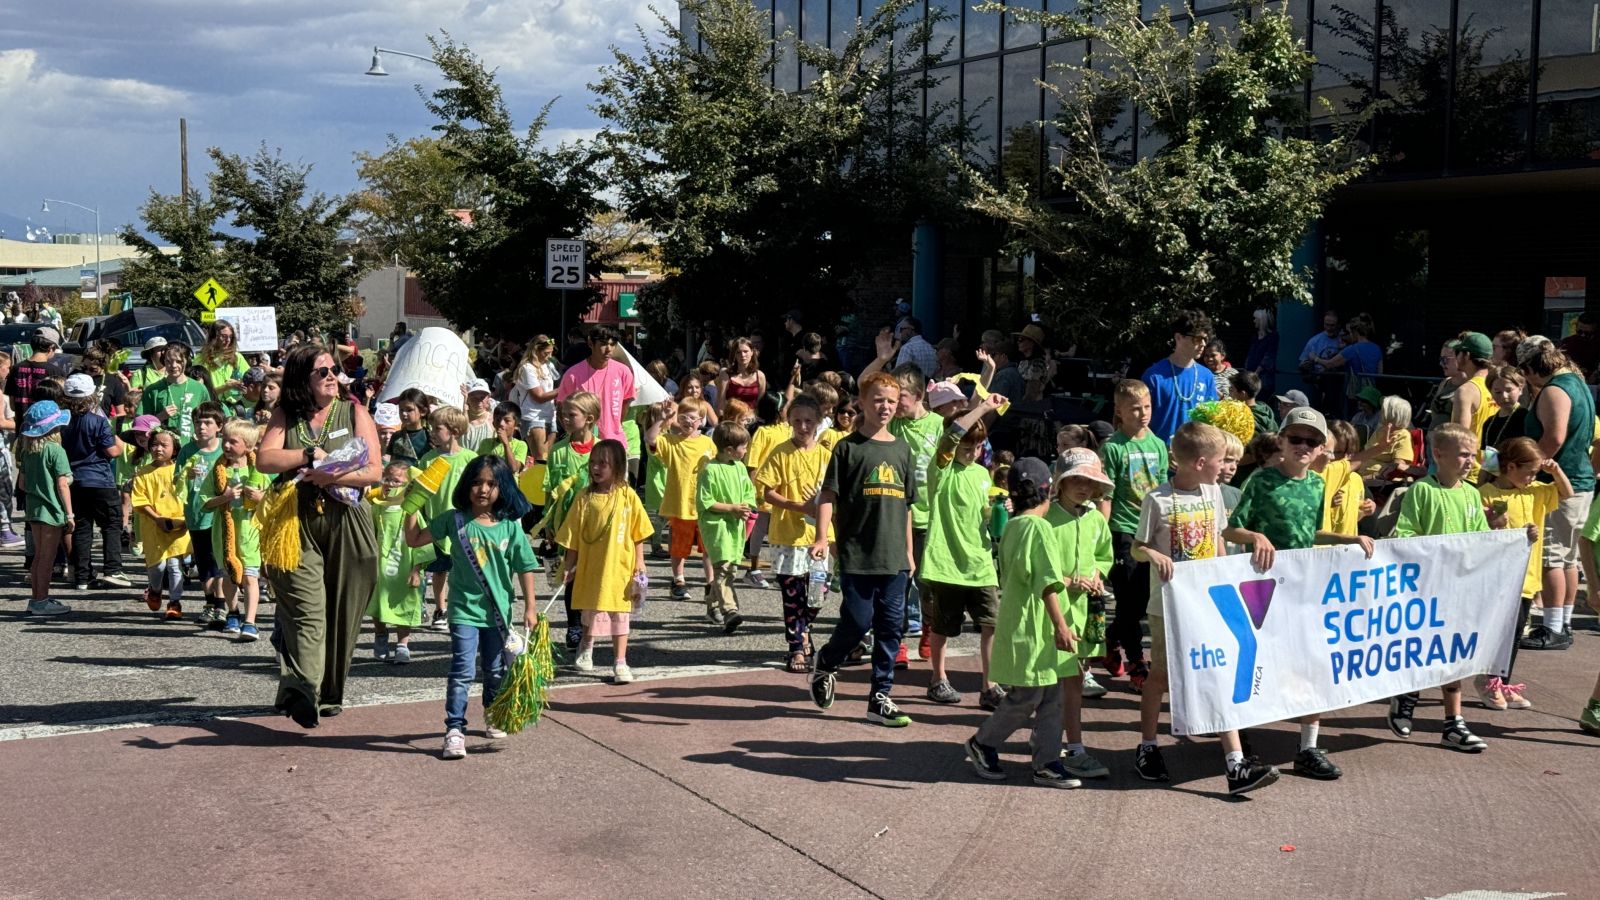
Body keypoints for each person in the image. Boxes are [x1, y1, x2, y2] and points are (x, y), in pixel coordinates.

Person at [1132, 422, 1279, 795]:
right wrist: (1152, 553)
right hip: (1168, 605)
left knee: (1218, 673)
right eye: (1219, 460)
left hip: (1207, 601)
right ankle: (1147, 745)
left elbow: (1217, 538)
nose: (1225, 466)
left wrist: (1235, 561)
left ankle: (1236, 764)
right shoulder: (1158, 500)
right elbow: (1137, 546)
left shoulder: (1213, 493)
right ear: (1199, 462)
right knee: (1162, 678)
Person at [1230, 407, 1375, 780]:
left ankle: (1308, 746)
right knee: (1258, 661)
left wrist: (1348, 538)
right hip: (1263, 587)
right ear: (1281, 441)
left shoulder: (1316, 484)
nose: (1303, 446)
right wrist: (1256, 536)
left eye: (1312, 441)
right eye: (1296, 438)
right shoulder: (1261, 481)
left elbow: (1310, 534)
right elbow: (1231, 530)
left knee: (1313, 663)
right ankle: (1243, 739)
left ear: (1322, 447)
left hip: (1303, 588)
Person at [257, 344, 383, 729]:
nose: (331, 376)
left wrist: (335, 475)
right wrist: (309, 457)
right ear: (302, 379)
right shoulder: (286, 414)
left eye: (333, 369)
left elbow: (375, 471)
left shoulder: (354, 410)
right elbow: (265, 460)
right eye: (321, 371)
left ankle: (328, 694)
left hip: (348, 518)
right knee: (307, 611)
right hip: (296, 521)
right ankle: (301, 688)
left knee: (343, 611)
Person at [404, 455, 537, 759]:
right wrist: (411, 507)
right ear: (466, 485)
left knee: (494, 670)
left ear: (503, 487)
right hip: (463, 610)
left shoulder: (510, 528)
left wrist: (530, 606)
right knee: (462, 670)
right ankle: (454, 729)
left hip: (498, 613)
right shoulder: (455, 519)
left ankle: (492, 710)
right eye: (477, 482)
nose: (483, 489)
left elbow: (525, 566)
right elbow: (414, 539)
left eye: (492, 483)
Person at [962, 456, 1081, 787]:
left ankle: (1047, 760)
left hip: (1021, 622)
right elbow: (1047, 583)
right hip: (1036, 627)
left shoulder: (1012, 525)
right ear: (1050, 490)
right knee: (1029, 696)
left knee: (1050, 693)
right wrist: (1061, 625)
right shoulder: (1039, 528)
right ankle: (983, 742)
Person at [807, 371, 917, 728]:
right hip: (857, 554)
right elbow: (828, 496)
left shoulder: (903, 449)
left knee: (890, 629)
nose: (884, 406)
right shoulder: (847, 447)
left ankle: (880, 697)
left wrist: (910, 554)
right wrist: (823, 537)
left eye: (890, 400)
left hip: (895, 559)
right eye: (877, 400)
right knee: (857, 621)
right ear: (862, 403)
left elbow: (907, 507)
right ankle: (827, 660)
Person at [1385, 423, 1491, 752]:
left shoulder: (1472, 494)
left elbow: (1482, 538)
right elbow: (1403, 534)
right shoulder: (1422, 491)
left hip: (1459, 589)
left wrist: (1514, 540)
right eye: (1462, 454)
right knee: (1420, 648)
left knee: (1454, 653)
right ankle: (1407, 694)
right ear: (1438, 455)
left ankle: (1453, 723)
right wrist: (1433, 552)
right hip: (1426, 588)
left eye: (1473, 455)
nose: (1469, 461)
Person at [920, 396, 1008, 708]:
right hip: (946, 562)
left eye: (978, 448)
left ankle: (990, 685)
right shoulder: (941, 469)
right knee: (943, 627)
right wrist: (982, 408)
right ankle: (938, 679)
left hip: (980, 562)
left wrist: (1000, 509)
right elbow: (951, 435)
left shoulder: (983, 475)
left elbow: (986, 517)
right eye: (967, 447)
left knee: (991, 624)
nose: (972, 453)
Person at [1478, 437, 1570, 710]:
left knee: (1516, 632)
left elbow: (1567, 493)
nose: (1533, 477)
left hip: (1526, 577)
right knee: (1498, 631)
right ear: (1510, 467)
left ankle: (1502, 682)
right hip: (1497, 577)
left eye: (1535, 473)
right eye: (1529, 472)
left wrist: (1555, 471)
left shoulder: (1536, 492)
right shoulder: (1486, 493)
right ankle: (1488, 680)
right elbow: (1479, 532)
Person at [1518, 339, 1594, 650]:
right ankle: (1561, 621)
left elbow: (1554, 437)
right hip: (1580, 481)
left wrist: (1528, 469)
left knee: (1551, 556)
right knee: (1567, 558)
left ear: (1530, 368)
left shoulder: (1554, 390)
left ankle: (1552, 627)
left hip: (1560, 483)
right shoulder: (1577, 382)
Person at [557, 439, 653, 684]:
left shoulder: (628, 496)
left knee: (620, 614)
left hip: (620, 567)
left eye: (603, 463)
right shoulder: (584, 497)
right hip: (592, 566)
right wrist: (569, 565)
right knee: (591, 608)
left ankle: (620, 660)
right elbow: (573, 535)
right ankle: (587, 645)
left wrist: (640, 562)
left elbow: (638, 532)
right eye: (592, 463)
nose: (596, 468)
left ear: (618, 467)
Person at [1045, 448, 1116, 780]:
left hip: (1084, 612)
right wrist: (1067, 581)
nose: (1083, 486)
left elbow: (1104, 555)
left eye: (1089, 481)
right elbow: (1034, 567)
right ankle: (1042, 744)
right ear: (1060, 481)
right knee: (1038, 686)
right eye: (1075, 479)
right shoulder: (1045, 518)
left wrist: (1098, 575)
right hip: (1049, 613)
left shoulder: (1095, 519)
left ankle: (1073, 748)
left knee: (1073, 680)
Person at [755, 394, 832, 672]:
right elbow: (766, 491)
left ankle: (805, 628)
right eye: (797, 421)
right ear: (789, 421)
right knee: (793, 595)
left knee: (819, 591)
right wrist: (796, 505)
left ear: (819, 422)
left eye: (809, 421)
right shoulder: (780, 451)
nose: (803, 426)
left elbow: (834, 492)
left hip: (819, 535)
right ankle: (796, 646)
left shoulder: (826, 455)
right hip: (787, 535)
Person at [1099, 379, 1168, 687]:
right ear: (1119, 411)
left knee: (1141, 599)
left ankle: (1111, 638)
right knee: (1127, 597)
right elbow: (1106, 495)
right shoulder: (1113, 447)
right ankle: (1137, 660)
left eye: (1147, 407)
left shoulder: (1157, 444)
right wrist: (1102, 535)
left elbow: (1165, 489)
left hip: (1153, 530)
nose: (1143, 414)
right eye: (1135, 408)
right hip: (1124, 529)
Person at [198, 419, 271, 641]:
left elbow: (272, 501)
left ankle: (250, 622)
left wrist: (260, 498)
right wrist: (225, 497)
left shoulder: (258, 470)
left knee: (250, 577)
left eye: (233, 442)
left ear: (248, 447)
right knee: (229, 575)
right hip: (224, 533)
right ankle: (233, 612)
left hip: (249, 532)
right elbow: (204, 501)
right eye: (225, 441)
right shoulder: (218, 470)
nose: (227, 446)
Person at [415, 406, 481, 633]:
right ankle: (440, 609)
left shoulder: (470, 459)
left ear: (454, 431)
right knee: (439, 569)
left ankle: (462, 606)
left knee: (463, 567)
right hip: (436, 522)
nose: (432, 432)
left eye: (437, 428)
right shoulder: (427, 459)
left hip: (464, 522)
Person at [60, 373, 125, 591]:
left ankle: (82, 576)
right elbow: (112, 451)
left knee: (82, 528)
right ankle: (113, 569)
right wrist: (121, 443)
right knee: (111, 524)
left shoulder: (61, 420)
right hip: (99, 478)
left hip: (73, 480)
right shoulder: (98, 420)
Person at [545, 392, 600, 648]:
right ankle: (574, 625)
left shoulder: (602, 449)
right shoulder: (557, 451)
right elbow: (550, 491)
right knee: (572, 576)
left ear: (589, 419)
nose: (565, 419)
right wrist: (548, 524)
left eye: (571, 415)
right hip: (567, 524)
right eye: (562, 414)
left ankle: (593, 623)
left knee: (596, 574)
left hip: (596, 523)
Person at [697, 421, 757, 633]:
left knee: (729, 567)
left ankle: (712, 601)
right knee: (723, 570)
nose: (746, 450)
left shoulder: (740, 467)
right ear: (729, 449)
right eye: (743, 447)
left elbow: (749, 493)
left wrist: (747, 507)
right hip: (717, 529)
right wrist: (731, 507)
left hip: (736, 528)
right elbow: (706, 502)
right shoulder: (709, 470)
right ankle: (730, 610)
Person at [655, 396, 716, 601]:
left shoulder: (708, 443)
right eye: (683, 416)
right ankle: (678, 579)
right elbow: (651, 440)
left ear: (702, 420)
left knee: (708, 547)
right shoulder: (671, 441)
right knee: (679, 546)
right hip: (680, 503)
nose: (688, 421)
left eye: (693, 417)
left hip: (706, 504)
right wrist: (661, 420)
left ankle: (711, 583)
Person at [18, 400, 75, 617]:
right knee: (47, 559)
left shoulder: (28, 450)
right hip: (52, 510)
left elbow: (22, 484)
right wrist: (70, 513)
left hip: (34, 509)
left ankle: (37, 598)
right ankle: (41, 601)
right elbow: (62, 484)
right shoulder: (55, 450)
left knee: (38, 557)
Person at [368, 460, 427, 664]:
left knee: (405, 603)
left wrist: (417, 570)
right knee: (377, 604)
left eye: (397, 481)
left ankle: (403, 644)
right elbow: (369, 535)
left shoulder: (411, 510)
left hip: (404, 566)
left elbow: (421, 541)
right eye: (388, 479)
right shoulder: (377, 508)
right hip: (380, 567)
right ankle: (381, 635)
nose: (391, 484)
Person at [176, 402, 229, 626]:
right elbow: (176, 482)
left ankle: (221, 605)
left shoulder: (224, 450)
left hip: (220, 515)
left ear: (219, 426)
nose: (201, 427)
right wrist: (187, 474)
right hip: (196, 513)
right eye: (197, 422)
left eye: (207, 422)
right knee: (204, 562)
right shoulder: (188, 450)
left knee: (220, 562)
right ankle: (209, 603)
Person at [132, 428, 190, 621]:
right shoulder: (143, 473)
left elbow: (187, 496)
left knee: (174, 565)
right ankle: (155, 589)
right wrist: (157, 518)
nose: (158, 449)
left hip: (177, 525)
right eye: (154, 444)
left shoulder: (181, 470)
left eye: (164, 445)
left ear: (174, 450)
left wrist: (183, 520)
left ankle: (175, 602)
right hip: (153, 526)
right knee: (157, 566)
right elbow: (140, 500)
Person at [1141, 309, 1218, 444]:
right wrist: (1162, 450)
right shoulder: (1154, 376)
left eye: (1205, 339)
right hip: (1160, 458)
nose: (1203, 344)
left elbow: (1211, 420)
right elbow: (1140, 421)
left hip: (1195, 457)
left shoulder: (1207, 376)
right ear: (1178, 337)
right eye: (1197, 338)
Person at [557, 326, 635, 443]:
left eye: (612, 344)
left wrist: (613, 426)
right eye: (603, 344)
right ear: (590, 343)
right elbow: (561, 408)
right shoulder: (573, 375)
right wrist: (573, 433)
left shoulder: (623, 371)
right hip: (582, 445)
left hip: (614, 442)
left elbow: (626, 402)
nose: (609, 349)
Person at [138, 342, 211, 444]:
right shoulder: (153, 390)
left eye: (179, 361)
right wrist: (159, 417)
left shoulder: (199, 389)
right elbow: (140, 425)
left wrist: (201, 435)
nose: (173, 365)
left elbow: (209, 419)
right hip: (162, 449)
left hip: (191, 447)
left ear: (187, 361)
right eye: (168, 361)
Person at [1446, 332, 1494, 484]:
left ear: (1466, 356)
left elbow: (1460, 436)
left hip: (1470, 473)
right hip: (1492, 470)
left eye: (1457, 353)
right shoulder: (1498, 386)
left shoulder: (1466, 391)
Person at [1318, 314, 1383, 417]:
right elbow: (1380, 372)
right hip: (1371, 393)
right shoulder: (1377, 348)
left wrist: (1315, 358)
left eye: (1349, 333)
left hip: (1356, 394)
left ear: (1355, 333)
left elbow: (1329, 364)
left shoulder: (1351, 349)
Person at [512, 335, 561, 463]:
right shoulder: (527, 368)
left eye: (551, 353)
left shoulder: (547, 365)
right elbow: (539, 396)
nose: (549, 356)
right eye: (546, 353)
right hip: (534, 416)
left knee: (547, 457)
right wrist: (563, 390)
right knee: (541, 458)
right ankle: (538, 482)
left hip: (550, 414)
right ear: (536, 350)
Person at [6, 325, 71, 416]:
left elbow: (12, 406)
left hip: (22, 426)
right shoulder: (57, 372)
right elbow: (63, 404)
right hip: (48, 426)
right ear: (51, 348)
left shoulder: (15, 369)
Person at [1297, 310, 1344, 412]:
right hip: (1320, 385)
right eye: (1326, 324)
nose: (1329, 328)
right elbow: (1302, 363)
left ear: (1338, 325)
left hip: (1340, 384)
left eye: (1332, 325)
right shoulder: (1314, 341)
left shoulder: (1344, 340)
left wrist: (1316, 359)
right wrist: (1305, 365)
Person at [198, 321, 248, 414]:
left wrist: (241, 384)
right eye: (223, 336)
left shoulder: (237, 357)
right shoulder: (201, 360)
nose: (228, 340)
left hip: (236, 410)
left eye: (230, 336)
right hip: (211, 410)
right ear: (213, 336)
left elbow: (249, 379)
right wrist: (226, 387)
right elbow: (200, 392)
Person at [717, 337, 767, 419]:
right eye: (738, 352)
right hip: (732, 420)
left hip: (752, 420)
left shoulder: (760, 376)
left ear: (752, 352)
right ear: (734, 354)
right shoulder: (725, 373)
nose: (742, 355)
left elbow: (760, 405)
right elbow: (720, 403)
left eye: (745, 351)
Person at [478, 402, 528, 475]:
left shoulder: (521, 445)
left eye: (507, 421)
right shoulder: (485, 443)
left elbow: (514, 468)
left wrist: (506, 444)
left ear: (516, 425)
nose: (501, 424)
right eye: (498, 420)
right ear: (493, 423)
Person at [387, 388, 432, 463]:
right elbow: (391, 462)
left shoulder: (429, 438)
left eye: (409, 410)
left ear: (423, 411)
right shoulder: (396, 436)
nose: (404, 413)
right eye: (401, 410)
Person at [1244, 307, 1280, 400]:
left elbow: (1269, 356)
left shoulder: (1272, 337)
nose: (1254, 321)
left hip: (1263, 378)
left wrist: (1256, 372)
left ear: (1262, 320)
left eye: (1256, 318)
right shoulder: (1255, 337)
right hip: (1251, 374)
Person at [1229, 370, 1276, 436]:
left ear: (1243, 394)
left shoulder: (1244, 418)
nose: (1229, 393)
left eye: (1231, 389)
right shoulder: (1264, 408)